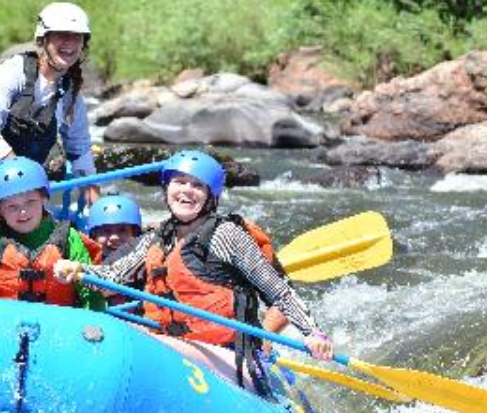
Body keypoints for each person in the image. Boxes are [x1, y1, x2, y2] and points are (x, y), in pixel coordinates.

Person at [53, 150, 333, 393]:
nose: (186, 190)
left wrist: (313, 333)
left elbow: (278, 291)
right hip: (180, 349)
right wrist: (80, 269)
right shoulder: (159, 237)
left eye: (197, 185)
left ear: (211, 195)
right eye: (179, 182)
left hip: (228, 357)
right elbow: (113, 278)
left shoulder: (226, 235)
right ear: (166, 189)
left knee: (136, 336)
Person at [0, 2, 98, 203]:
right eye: (61, 34)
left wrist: (95, 199)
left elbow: (80, 150)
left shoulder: (71, 92)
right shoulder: (13, 72)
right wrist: (19, 174)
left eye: (77, 36)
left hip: (21, 195)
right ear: (44, 38)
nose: (69, 43)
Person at [0, 156, 105, 310]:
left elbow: (90, 291)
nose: (23, 213)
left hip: (58, 324)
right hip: (3, 322)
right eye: (12, 207)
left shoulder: (68, 237)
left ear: (44, 199)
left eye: (30, 202)